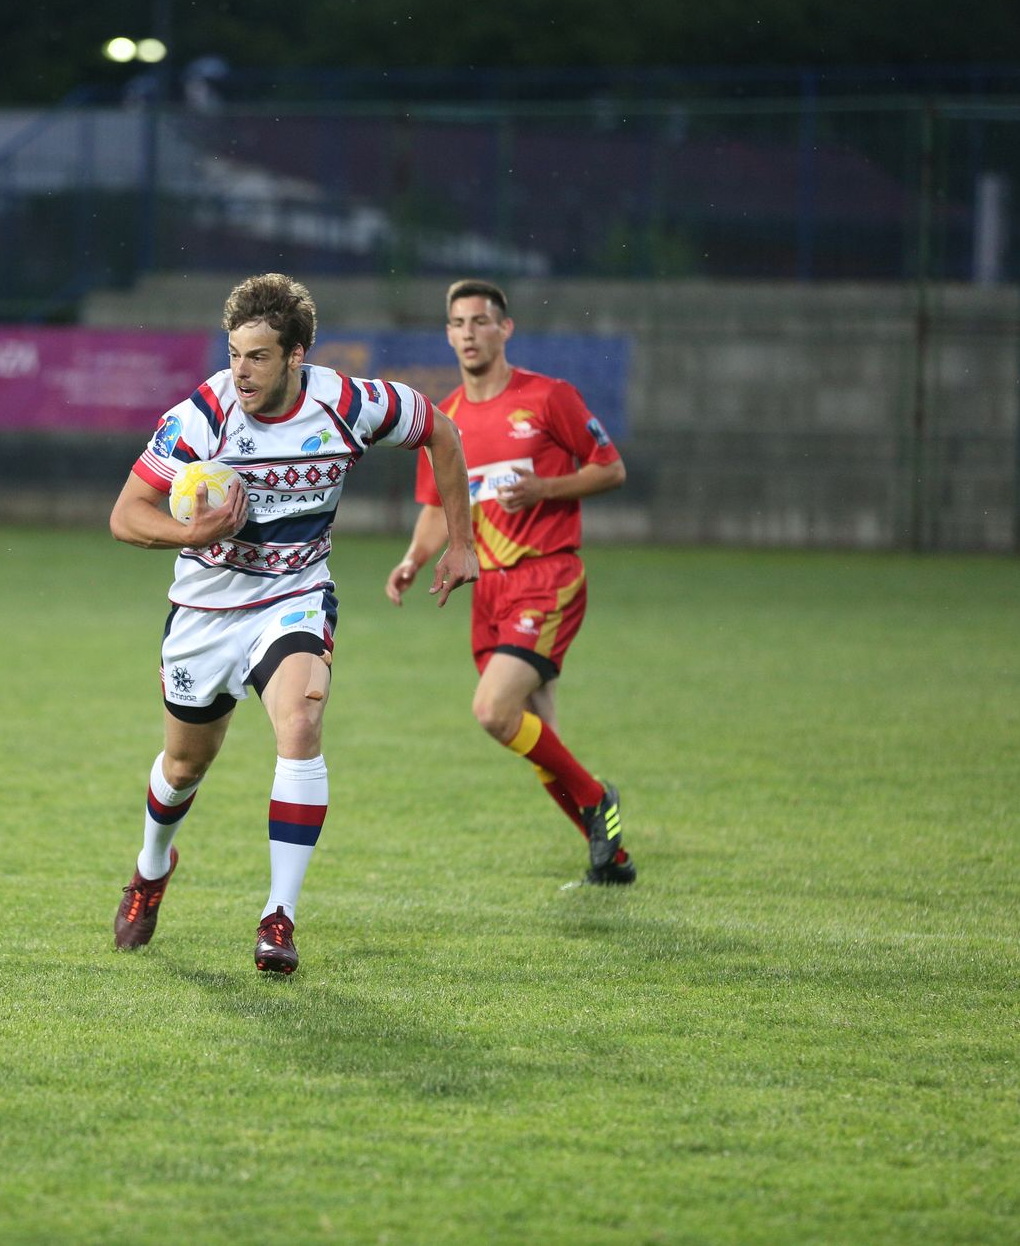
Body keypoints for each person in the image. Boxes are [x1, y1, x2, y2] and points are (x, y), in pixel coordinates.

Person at [109, 272, 477, 974]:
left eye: (258, 356)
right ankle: (151, 869)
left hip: (294, 597)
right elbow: (125, 516)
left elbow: (443, 431)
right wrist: (193, 534)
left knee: (302, 720)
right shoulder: (203, 416)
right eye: (233, 354)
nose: (241, 371)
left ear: (296, 356)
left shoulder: (349, 404)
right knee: (185, 765)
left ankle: (278, 917)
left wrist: (461, 542)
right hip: (206, 611)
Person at [386, 280, 633, 886]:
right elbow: (438, 508)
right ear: (448, 335)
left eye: (480, 321)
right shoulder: (444, 423)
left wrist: (546, 487)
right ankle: (612, 859)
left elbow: (611, 469)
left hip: (547, 577)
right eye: (458, 323)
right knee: (541, 737)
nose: (469, 333)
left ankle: (596, 797)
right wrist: (414, 559)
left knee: (494, 711)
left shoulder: (549, 398)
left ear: (505, 329)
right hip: (489, 592)